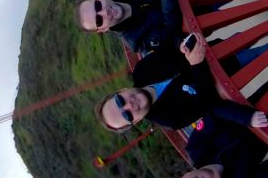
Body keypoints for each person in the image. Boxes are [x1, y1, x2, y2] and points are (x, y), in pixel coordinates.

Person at [94, 33, 257, 132]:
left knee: (252, 35)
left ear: (121, 90)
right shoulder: (171, 120)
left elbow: (169, 46)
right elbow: (208, 102)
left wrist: (181, 45)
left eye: (120, 100)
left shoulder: (142, 69)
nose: (129, 105)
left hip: (218, 47)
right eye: (127, 114)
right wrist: (197, 65)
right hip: (233, 71)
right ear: (135, 122)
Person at [76, 0, 181, 55]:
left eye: (98, 6)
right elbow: (170, 33)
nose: (105, 12)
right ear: (103, 29)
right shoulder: (135, 42)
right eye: (99, 20)